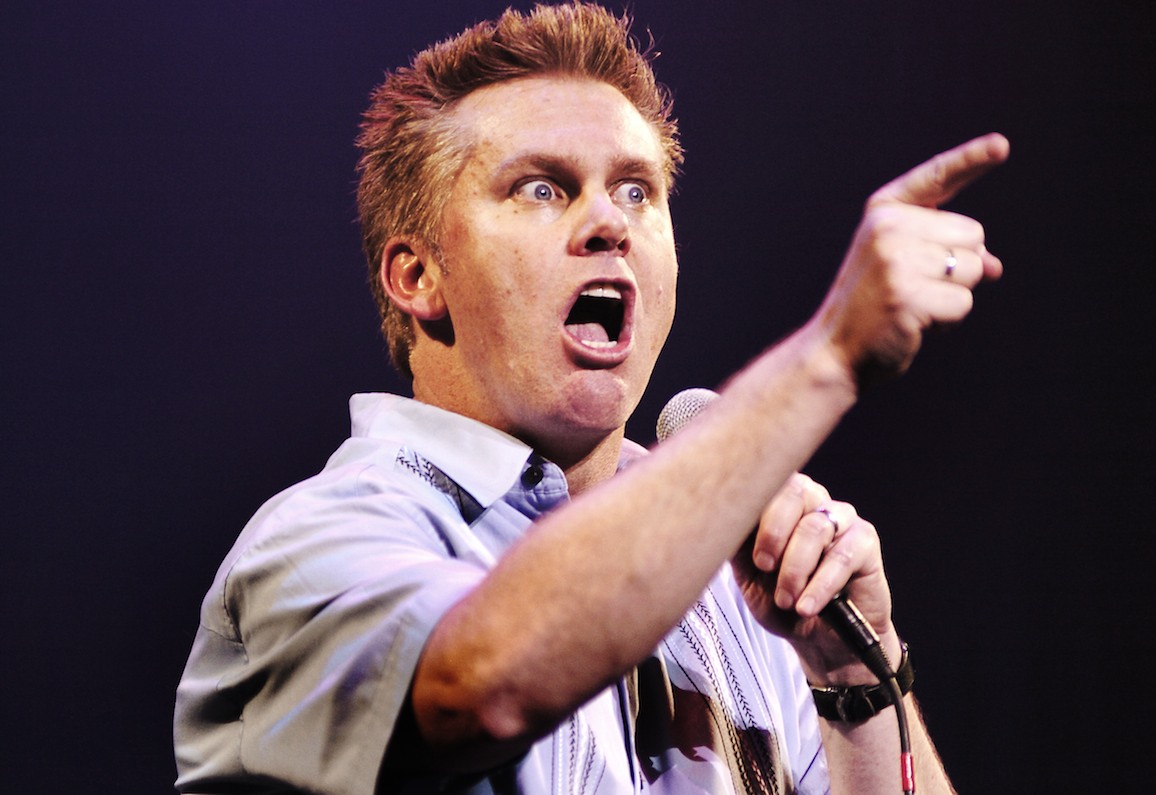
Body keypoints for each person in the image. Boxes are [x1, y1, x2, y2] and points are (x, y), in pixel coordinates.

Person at [174, 4, 1008, 793]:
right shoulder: (319, 542)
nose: (610, 221)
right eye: (542, 188)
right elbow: (481, 686)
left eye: (637, 190)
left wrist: (854, 673)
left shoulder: (740, 589)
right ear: (418, 275)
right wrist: (824, 360)